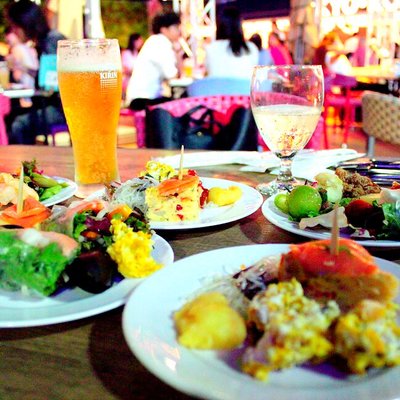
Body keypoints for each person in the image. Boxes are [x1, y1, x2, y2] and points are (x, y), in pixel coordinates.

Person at [5, 0, 67, 145]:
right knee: (11, 118)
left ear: (26, 24)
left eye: (15, 27)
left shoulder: (52, 41)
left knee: (18, 124)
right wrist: (22, 67)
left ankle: (26, 165)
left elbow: (51, 82)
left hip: (60, 109)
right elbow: (45, 76)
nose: (14, 31)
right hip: (49, 105)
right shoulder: (44, 41)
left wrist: (22, 68)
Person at [126, 12, 181, 111]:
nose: (179, 31)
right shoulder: (160, 43)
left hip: (140, 98)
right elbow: (172, 75)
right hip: (142, 100)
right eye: (176, 27)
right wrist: (178, 53)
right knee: (180, 105)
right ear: (164, 29)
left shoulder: (155, 41)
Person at [204, 6, 258, 79]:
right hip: (244, 90)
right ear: (239, 25)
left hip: (217, 90)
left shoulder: (211, 48)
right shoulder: (251, 48)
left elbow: (207, 73)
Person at [121, 33, 144, 99]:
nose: (141, 42)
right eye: (139, 40)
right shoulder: (126, 53)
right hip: (128, 82)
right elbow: (125, 68)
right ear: (134, 41)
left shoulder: (139, 53)